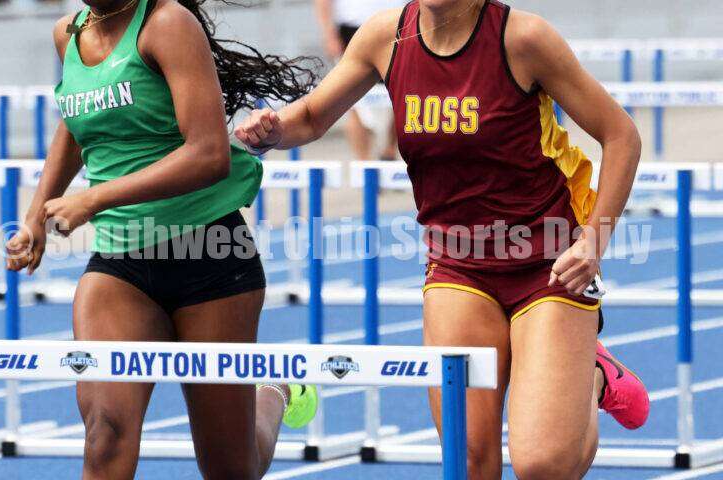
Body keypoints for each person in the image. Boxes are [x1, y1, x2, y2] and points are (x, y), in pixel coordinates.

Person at [235, 0, 650, 478]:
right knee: (470, 458)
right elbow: (309, 118)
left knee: (543, 465)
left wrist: (594, 242)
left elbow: (621, 135)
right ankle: (575, 369)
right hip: (458, 266)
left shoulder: (523, 40)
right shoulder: (384, 37)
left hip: (550, 262)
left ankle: (590, 376)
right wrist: (272, 130)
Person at [5, 0, 319, 478]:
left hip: (210, 256)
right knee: (104, 431)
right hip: (120, 265)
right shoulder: (68, 34)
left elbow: (209, 153)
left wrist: (94, 200)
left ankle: (273, 392)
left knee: (232, 469)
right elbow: (74, 124)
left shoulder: (167, 24)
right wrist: (35, 216)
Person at [314, 0, 405, 160]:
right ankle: (364, 165)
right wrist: (329, 34)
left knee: (402, 97)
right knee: (352, 103)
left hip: (399, 24)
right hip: (354, 27)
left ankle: (389, 153)